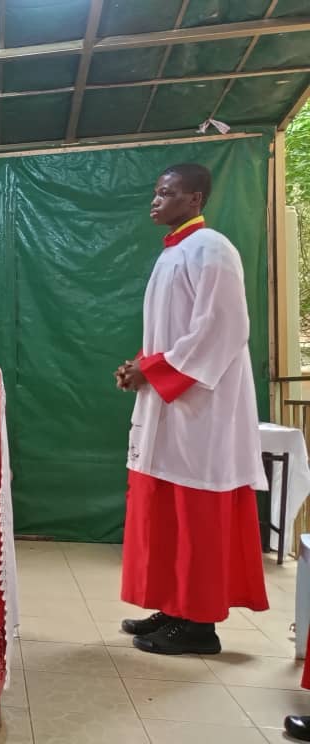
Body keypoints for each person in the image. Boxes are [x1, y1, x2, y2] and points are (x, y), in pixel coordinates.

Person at [115, 163, 268, 655]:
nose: (156, 201)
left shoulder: (212, 248)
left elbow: (220, 329)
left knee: (195, 513)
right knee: (168, 510)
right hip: (171, 400)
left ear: (195, 199)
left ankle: (200, 626)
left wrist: (156, 372)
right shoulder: (177, 253)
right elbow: (172, 331)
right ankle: (174, 607)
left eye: (168, 193)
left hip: (202, 407)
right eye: (156, 192)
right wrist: (140, 365)